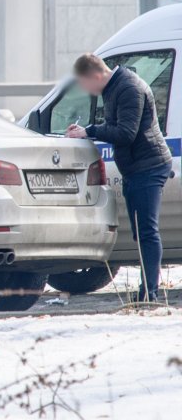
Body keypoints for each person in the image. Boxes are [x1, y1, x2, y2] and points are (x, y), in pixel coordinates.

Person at [66, 53, 172, 302]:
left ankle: (150, 294)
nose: (86, 90)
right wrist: (87, 130)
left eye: (84, 84)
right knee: (140, 231)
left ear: (95, 76)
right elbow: (115, 123)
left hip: (149, 166)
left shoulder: (128, 88)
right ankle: (147, 290)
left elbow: (126, 133)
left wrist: (88, 131)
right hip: (135, 168)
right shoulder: (113, 87)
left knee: (147, 231)